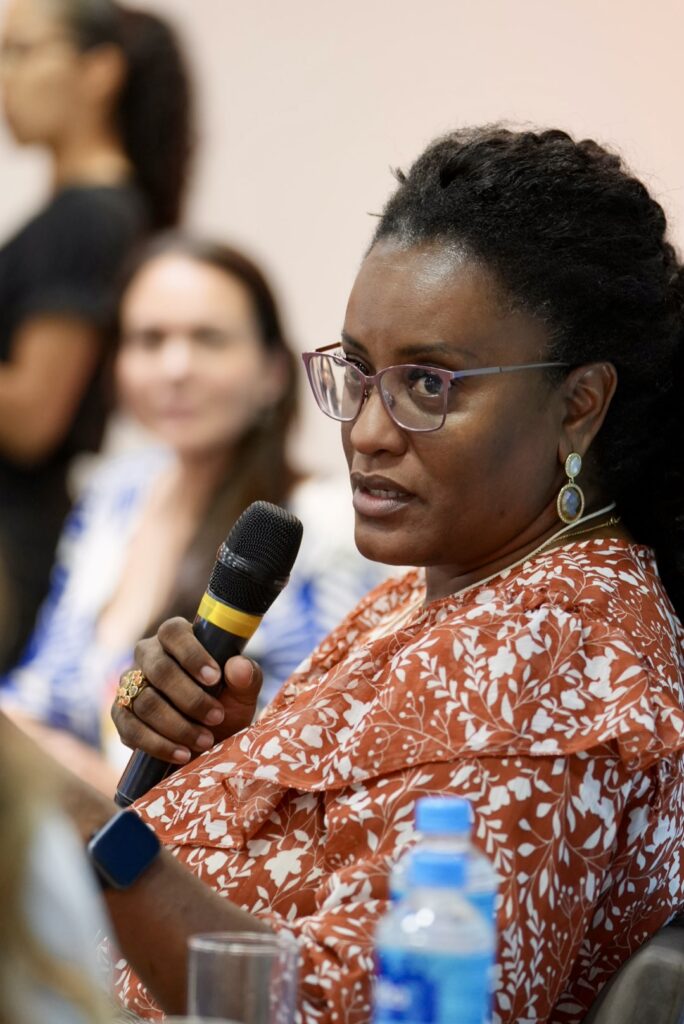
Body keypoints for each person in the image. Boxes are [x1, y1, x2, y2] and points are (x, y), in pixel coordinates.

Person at [4, 125, 684, 1024]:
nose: (366, 429)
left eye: (431, 385)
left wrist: (77, 821)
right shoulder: (441, 589)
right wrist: (209, 761)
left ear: (579, 407)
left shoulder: (558, 652)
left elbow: (359, 1008)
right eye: (360, 372)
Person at [0, 232, 388, 792]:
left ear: (272, 371)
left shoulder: (324, 526)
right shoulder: (114, 496)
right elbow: (33, 697)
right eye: (149, 340)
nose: (175, 366)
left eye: (208, 339)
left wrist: (73, 781)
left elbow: (310, 750)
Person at [0, 0, 193, 669]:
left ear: (99, 70)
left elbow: (31, 415)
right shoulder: (81, 214)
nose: (6, 76)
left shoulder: (91, 217)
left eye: (23, 51)